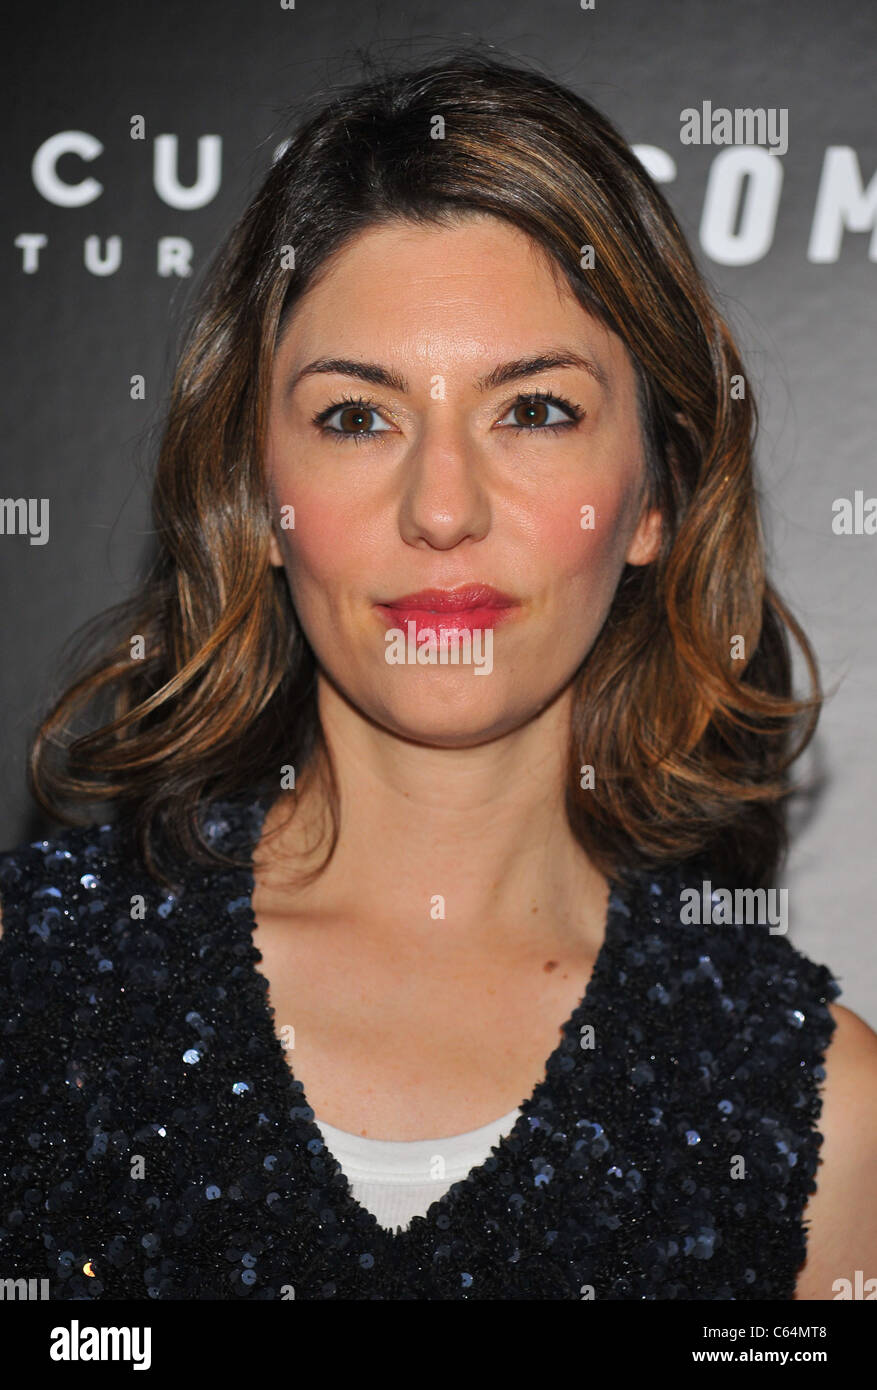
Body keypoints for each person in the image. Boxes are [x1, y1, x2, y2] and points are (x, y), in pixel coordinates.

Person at [1, 50, 875, 1301]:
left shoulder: (825, 1117)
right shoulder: (30, 988)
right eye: (358, 416)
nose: (443, 508)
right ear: (257, 493)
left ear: (655, 496)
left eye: (534, 411)